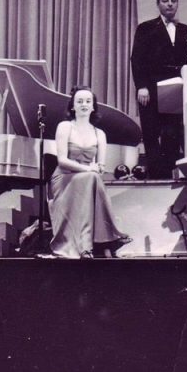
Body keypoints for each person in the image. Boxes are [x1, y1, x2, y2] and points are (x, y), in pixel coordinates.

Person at [130, 0, 187, 177]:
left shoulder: (186, 30)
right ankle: (156, 174)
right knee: (150, 131)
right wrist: (141, 86)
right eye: (165, 1)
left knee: (171, 131)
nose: (170, 4)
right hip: (150, 88)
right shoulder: (146, 28)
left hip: (174, 89)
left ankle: (167, 173)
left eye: (173, 0)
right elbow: (137, 58)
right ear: (158, 4)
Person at [46, 87, 131, 259]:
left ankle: (92, 245)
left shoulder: (99, 134)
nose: (84, 104)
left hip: (87, 179)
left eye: (88, 101)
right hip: (64, 177)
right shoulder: (64, 127)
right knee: (91, 177)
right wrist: (88, 169)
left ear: (93, 107)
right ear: (72, 107)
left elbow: (100, 165)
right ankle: (107, 241)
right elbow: (62, 161)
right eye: (79, 101)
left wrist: (96, 168)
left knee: (92, 178)